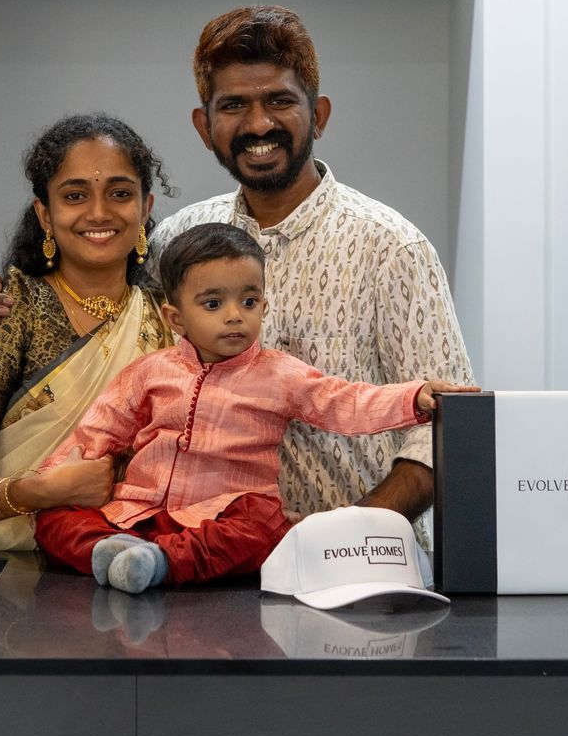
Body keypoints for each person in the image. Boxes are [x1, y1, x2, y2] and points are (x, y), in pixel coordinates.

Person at [0, 6, 476, 540]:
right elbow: (94, 291)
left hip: (354, 577)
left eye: (279, 101)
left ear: (318, 114)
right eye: (233, 106)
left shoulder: (391, 247)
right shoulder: (176, 240)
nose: (258, 124)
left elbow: (448, 428)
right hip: (193, 578)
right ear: (205, 127)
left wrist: (342, 538)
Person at [33, 223, 475, 593]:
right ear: (176, 319)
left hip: (223, 516)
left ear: (263, 306)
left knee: (265, 525)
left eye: (248, 302)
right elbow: (99, 430)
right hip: (139, 514)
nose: (234, 316)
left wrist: (412, 397)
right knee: (53, 518)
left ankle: (159, 564)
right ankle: (103, 552)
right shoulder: (149, 371)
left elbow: (344, 401)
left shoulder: (278, 374)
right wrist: (55, 477)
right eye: (213, 304)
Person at [0, 113, 175, 550]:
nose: (99, 212)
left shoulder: (169, 318)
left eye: (119, 193)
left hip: (146, 572)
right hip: (18, 588)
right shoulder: (8, 313)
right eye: (75, 195)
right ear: (45, 214)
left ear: (145, 208)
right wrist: (42, 492)